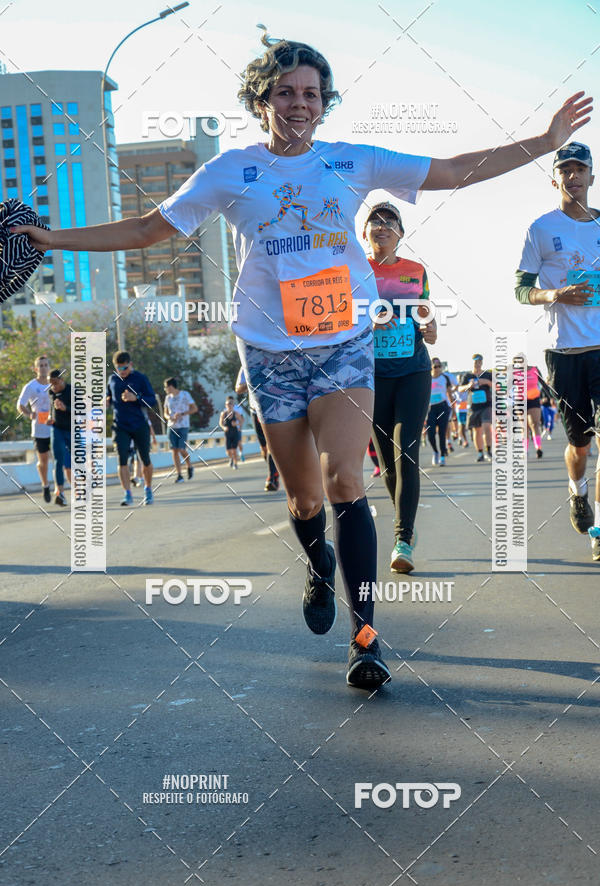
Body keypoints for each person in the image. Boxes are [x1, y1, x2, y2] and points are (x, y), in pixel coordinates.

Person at [12, 27, 592, 686]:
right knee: (306, 499)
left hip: (345, 342)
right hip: (269, 351)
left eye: (310, 93)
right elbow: (148, 230)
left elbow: (455, 171)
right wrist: (52, 238)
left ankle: (366, 637)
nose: (298, 103)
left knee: (347, 480)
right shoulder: (229, 172)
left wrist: (544, 144)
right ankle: (318, 568)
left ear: (325, 101)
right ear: (261, 101)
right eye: (284, 92)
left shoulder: (352, 161)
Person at [515, 140, 600, 560]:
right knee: (580, 445)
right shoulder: (541, 228)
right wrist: (555, 295)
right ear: (556, 178)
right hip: (562, 352)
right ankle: (577, 490)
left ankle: (599, 529)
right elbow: (520, 289)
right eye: (565, 170)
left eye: (580, 169)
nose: (573, 176)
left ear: (591, 176)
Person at [366, 202, 437, 573]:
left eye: (389, 222)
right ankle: (404, 527)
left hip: (413, 371)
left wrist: (432, 328)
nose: (382, 227)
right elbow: (338, 316)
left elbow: (426, 311)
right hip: (372, 378)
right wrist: (365, 324)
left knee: (405, 453)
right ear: (366, 233)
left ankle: (403, 540)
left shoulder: (415, 271)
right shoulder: (354, 270)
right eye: (374, 222)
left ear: (400, 232)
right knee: (387, 462)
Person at [106, 351, 157, 506]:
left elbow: (152, 400)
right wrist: (106, 400)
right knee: (122, 458)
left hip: (139, 424)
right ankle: (127, 494)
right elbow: (108, 395)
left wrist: (137, 398)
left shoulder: (140, 378)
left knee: (144, 458)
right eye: (119, 368)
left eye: (124, 368)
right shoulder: (112, 379)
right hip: (120, 425)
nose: (122, 371)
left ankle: (148, 489)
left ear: (131, 365)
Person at [235, 367, 280, 490]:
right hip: (255, 409)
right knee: (264, 449)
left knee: (271, 445)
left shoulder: (273, 359)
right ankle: (275, 470)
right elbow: (238, 389)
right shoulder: (246, 365)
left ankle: (272, 477)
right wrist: (252, 383)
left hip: (271, 408)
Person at [17, 355, 52, 501]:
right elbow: (20, 404)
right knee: (43, 461)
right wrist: (29, 413)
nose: (43, 368)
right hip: (39, 429)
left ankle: (60, 488)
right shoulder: (31, 386)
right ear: (36, 369)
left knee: (63, 458)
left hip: (56, 427)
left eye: (46, 365)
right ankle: (45, 485)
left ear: (49, 367)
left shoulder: (54, 384)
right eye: (41, 365)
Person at [459, 354, 493, 462]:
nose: (477, 363)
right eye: (475, 362)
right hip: (473, 406)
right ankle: (480, 453)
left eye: (479, 361)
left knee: (487, 427)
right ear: (472, 362)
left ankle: (489, 451)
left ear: (482, 362)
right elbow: (460, 389)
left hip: (486, 404)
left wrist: (487, 382)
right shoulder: (467, 376)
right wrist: (468, 386)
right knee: (476, 430)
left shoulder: (487, 374)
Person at [164, 378, 197, 482]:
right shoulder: (168, 398)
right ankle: (179, 475)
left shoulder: (185, 394)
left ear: (171, 386)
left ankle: (189, 466)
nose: (165, 389)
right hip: (172, 426)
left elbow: (194, 408)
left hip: (183, 426)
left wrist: (182, 414)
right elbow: (165, 413)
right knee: (174, 451)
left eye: (166, 387)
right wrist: (169, 417)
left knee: (182, 449)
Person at [47, 369, 72, 506]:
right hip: (57, 429)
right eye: (51, 384)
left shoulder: (72, 391)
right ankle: (61, 494)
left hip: (73, 430)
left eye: (55, 383)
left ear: (62, 380)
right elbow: (52, 408)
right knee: (58, 460)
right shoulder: (51, 392)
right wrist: (50, 417)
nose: (53, 387)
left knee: (75, 463)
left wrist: (65, 408)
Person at [427, 358, 454, 466]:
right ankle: (436, 452)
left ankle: (443, 455)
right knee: (431, 433)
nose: (438, 369)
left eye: (439, 366)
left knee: (442, 433)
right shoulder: (426, 379)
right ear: (431, 368)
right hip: (430, 408)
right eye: (435, 367)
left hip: (443, 407)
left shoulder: (445, 378)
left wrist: (453, 410)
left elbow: (449, 394)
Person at [526, 365, 544, 458]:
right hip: (519, 401)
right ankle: (525, 450)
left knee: (535, 424)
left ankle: (538, 448)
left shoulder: (534, 369)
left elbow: (543, 383)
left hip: (534, 399)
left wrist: (548, 396)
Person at [219, 397, 242, 468]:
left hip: (234, 432)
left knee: (234, 450)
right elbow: (220, 423)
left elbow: (241, 421)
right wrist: (224, 427)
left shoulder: (236, 413)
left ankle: (235, 464)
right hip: (227, 433)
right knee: (228, 451)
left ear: (233, 405)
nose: (228, 406)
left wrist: (237, 424)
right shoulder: (224, 414)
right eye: (227, 404)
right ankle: (231, 458)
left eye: (230, 404)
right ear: (225, 406)